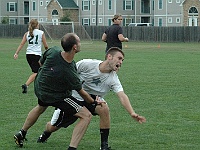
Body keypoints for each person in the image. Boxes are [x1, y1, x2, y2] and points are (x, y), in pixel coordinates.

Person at [36, 47, 146, 150]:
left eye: (122, 60)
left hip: (92, 100)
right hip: (73, 98)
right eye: (119, 58)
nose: (121, 62)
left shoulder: (113, 79)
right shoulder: (87, 64)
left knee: (104, 108)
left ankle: (104, 145)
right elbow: (69, 72)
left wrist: (132, 113)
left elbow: (122, 95)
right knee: (54, 126)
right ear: (109, 57)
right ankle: (46, 133)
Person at [14, 33, 103, 150]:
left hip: (41, 88)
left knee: (40, 107)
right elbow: (82, 93)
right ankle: (72, 148)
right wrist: (94, 102)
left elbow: (41, 63)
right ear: (74, 47)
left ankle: (22, 132)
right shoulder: (70, 70)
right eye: (79, 42)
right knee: (86, 115)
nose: (80, 44)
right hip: (57, 96)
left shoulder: (53, 51)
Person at [14, 19, 48, 94]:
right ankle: (26, 85)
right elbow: (45, 46)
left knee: (39, 71)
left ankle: (40, 86)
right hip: (36, 55)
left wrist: (16, 53)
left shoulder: (27, 33)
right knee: (37, 72)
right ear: (37, 25)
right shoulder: (41, 33)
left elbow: (22, 44)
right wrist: (48, 52)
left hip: (28, 55)